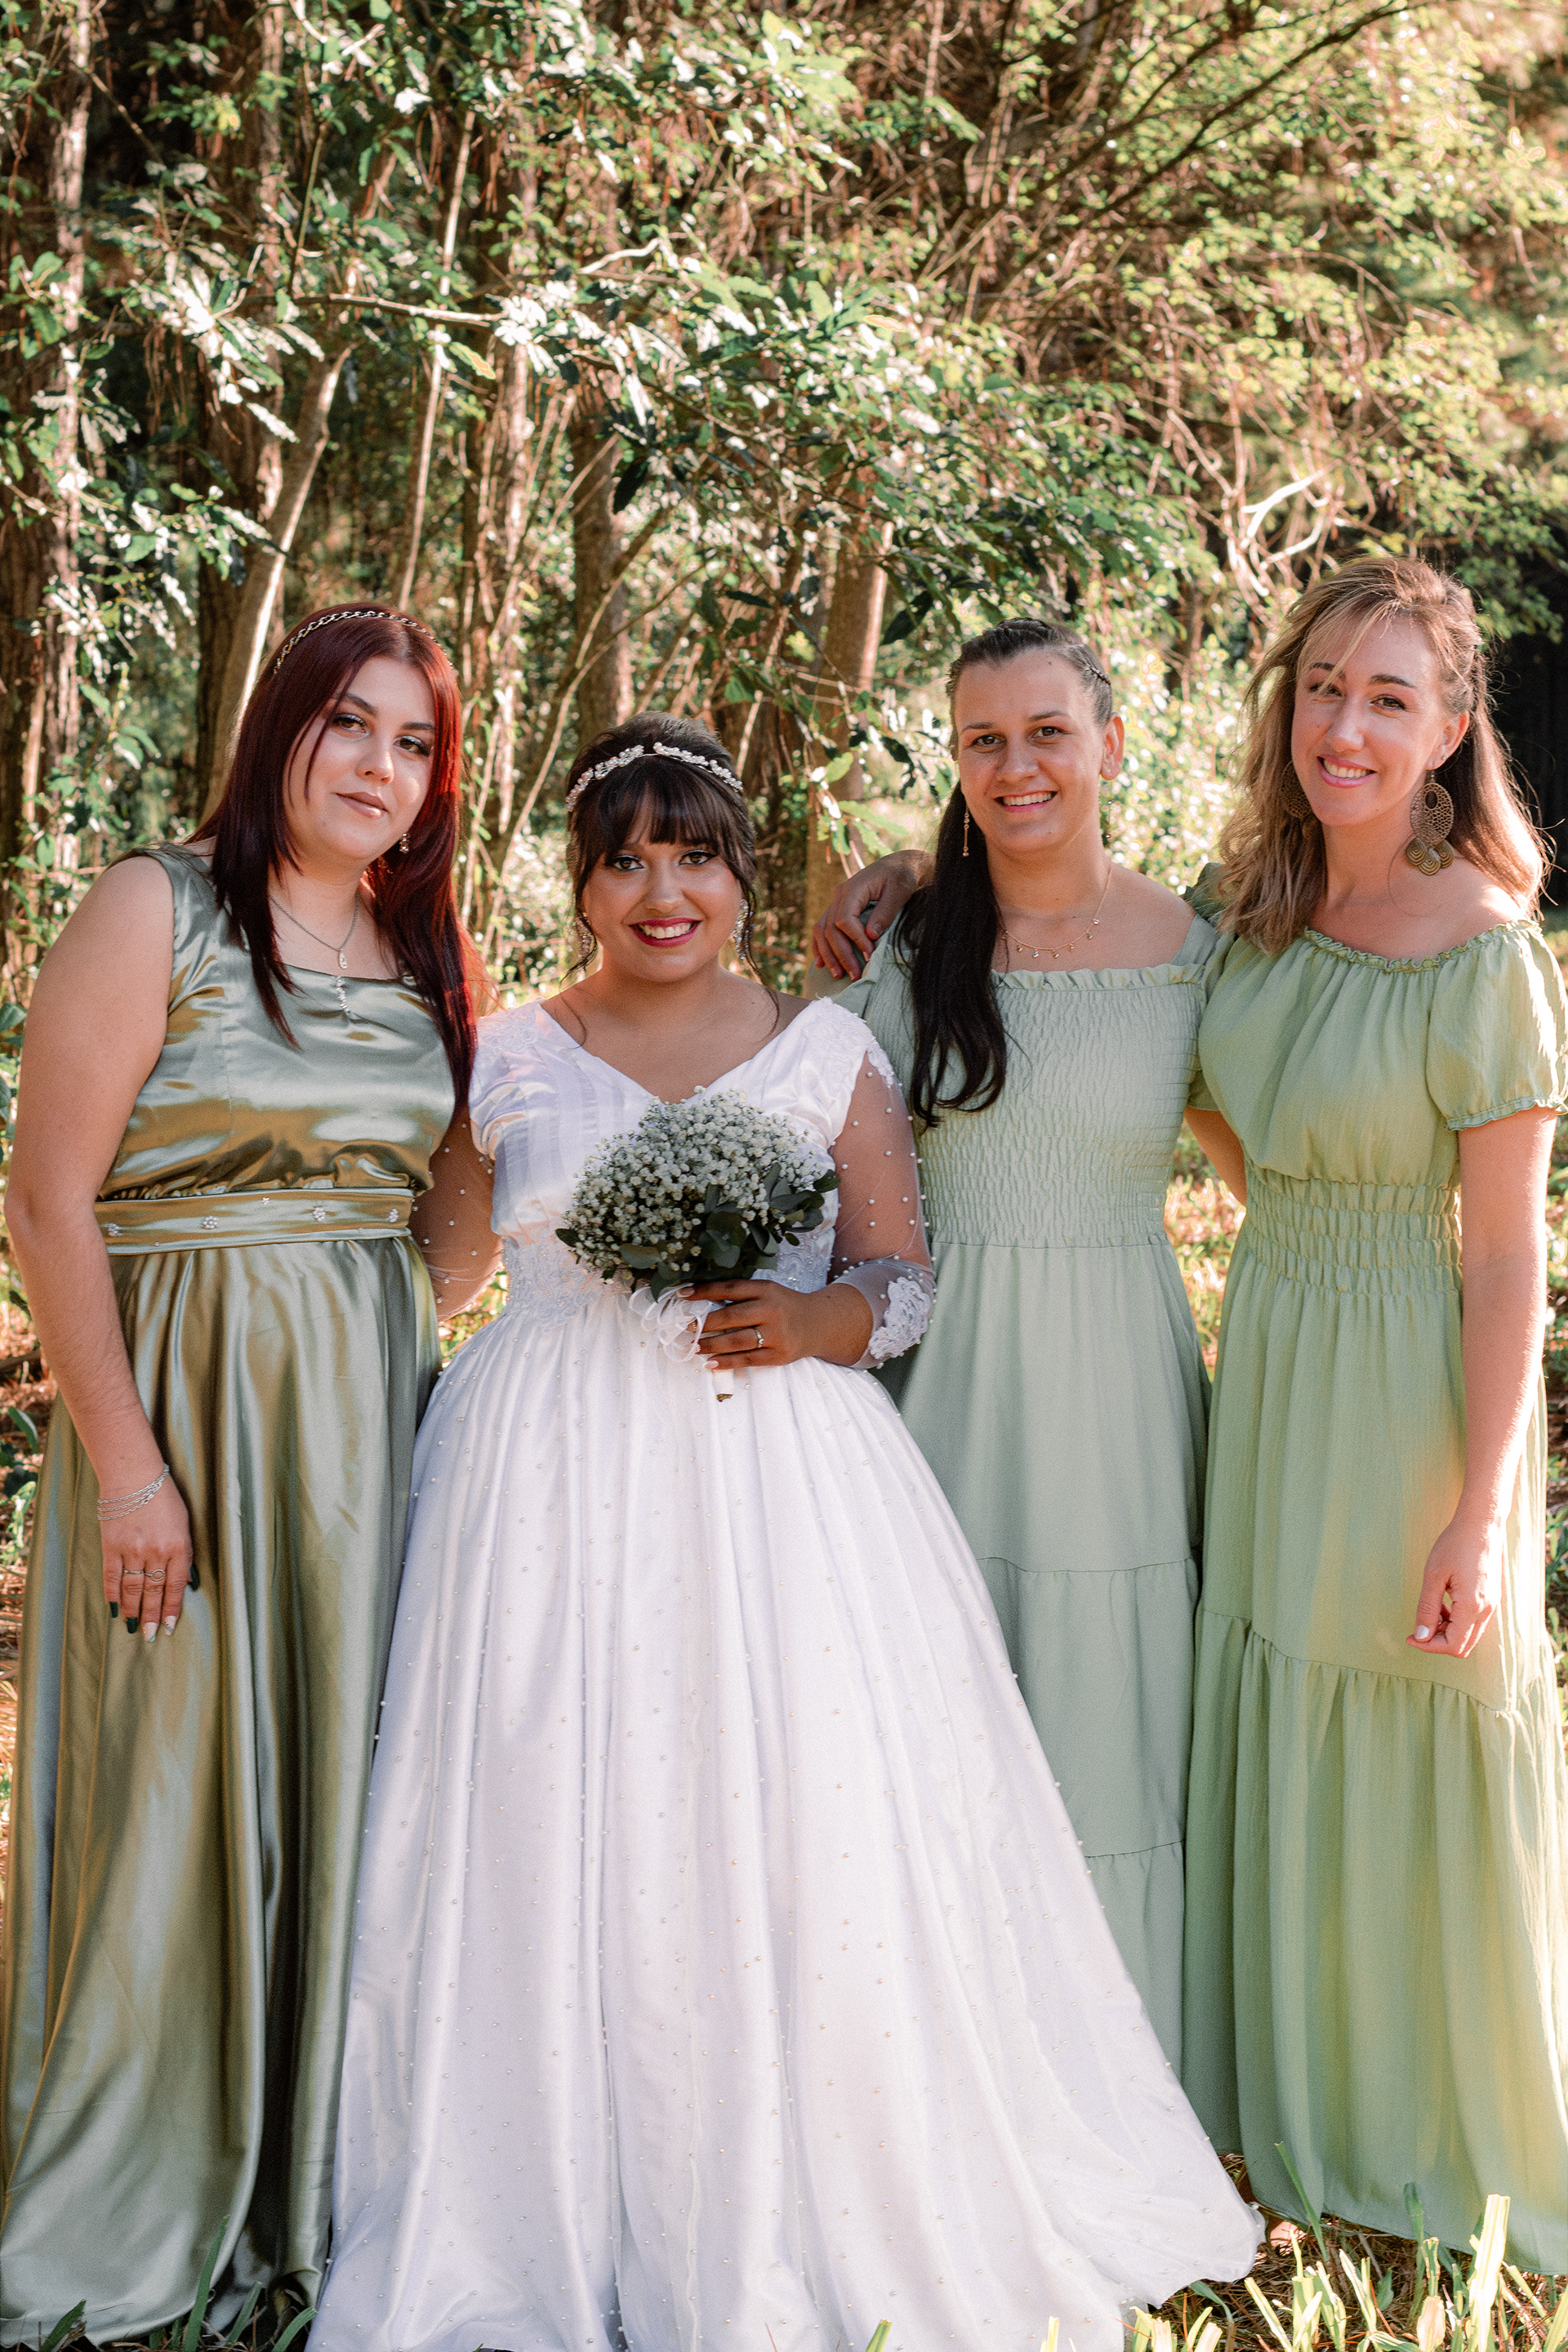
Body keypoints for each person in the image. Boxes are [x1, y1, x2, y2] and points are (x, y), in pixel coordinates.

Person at [311, 715, 1258, 2352]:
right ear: (581, 884)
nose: (660, 891)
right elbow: (437, 1277)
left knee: (789, 1802)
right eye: (625, 860)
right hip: (540, 1485)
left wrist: (817, 1322)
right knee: (546, 1798)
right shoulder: (508, 1053)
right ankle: (534, 2183)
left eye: (694, 856)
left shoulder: (826, 1048)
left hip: (780, 1480)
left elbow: (900, 1277)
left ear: (744, 878)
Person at [0, 608, 475, 2338]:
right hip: (176, 1417)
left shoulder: (425, 945)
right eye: (349, 724)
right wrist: (128, 1466)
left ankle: (314, 2181)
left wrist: (377, 1340)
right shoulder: (161, 906)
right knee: (172, 1795)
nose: (377, 767)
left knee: (343, 1785)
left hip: (358, 1434)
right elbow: (45, 1198)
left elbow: (458, 1203)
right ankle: (144, 2177)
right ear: (283, 727)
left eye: (413, 744)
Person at [1175, 556, 1568, 2265]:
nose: (1345, 726)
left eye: (1390, 698)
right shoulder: (1252, 909)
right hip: (1280, 1352)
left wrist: (1478, 1511)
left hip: (1414, 1383)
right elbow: (1201, 1096)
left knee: (1414, 1713)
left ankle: (1435, 2139)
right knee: (1281, 1693)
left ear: (1452, 728)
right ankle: (1295, 2117)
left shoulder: (1484, 949)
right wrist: (913, 876)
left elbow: (1507, 1261)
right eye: (1324, 687)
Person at [817, 617, 1239, 2065]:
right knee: (937, 1719)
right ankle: (943, 2078)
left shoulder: (1196, 957)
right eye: (983, 740)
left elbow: (1274, 1174)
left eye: (1049, 732)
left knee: (1113, 1725)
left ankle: (1121, 2069)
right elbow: (812, 1149)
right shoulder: (908, 946)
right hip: (939, 1389)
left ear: (1110, 745)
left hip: (1118, 1394)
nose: (1018, 766)